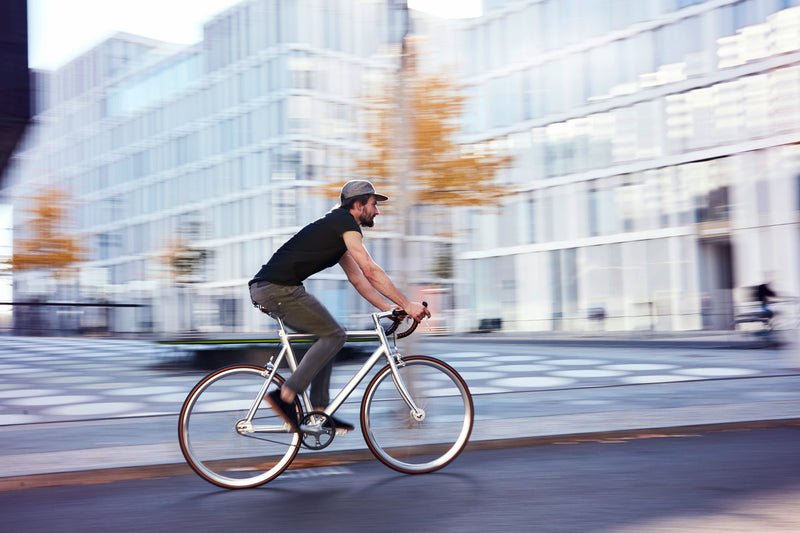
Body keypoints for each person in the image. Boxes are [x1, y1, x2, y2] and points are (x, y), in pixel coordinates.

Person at [249, 180, 431, 433]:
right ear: (357, 205)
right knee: (335, 334)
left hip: (276, 288)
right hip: (277, 289)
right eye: (373, 205)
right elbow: (370, 270)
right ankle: (285, 396)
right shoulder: (345, 223)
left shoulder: (337, 228)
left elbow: (357, 278)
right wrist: (407, 304)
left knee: (328, 337)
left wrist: (390, 309)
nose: (377, 211)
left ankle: (319, 415)